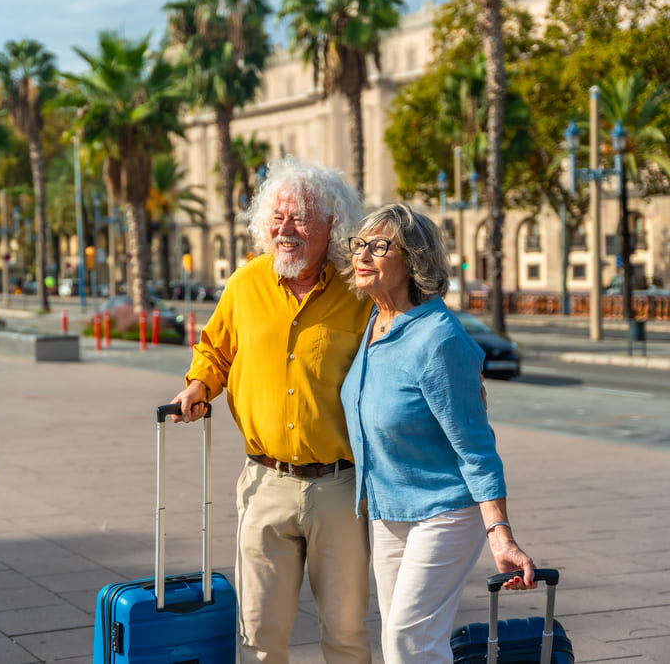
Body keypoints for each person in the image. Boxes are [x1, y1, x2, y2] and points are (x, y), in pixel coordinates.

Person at [171, 156, 374, 663]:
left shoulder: (360, 292)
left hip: (342, 487)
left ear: (333, 225)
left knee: (346, 635)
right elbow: (215, 350)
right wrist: (198, 385)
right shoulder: (246, 284)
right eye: (278, 217)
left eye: (301, 217)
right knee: (259, 638)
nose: (286, 229)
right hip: (265, 485)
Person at [339, 204, 535, 664]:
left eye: (381, 246)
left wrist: (500, 535)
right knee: (404, 642)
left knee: (409, 643)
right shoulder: (376, 321)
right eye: (360, 245)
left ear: (414, 259)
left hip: (444, 511)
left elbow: (476, 449)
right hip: (389, 511)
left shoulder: (438, 338)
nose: (364, 255)